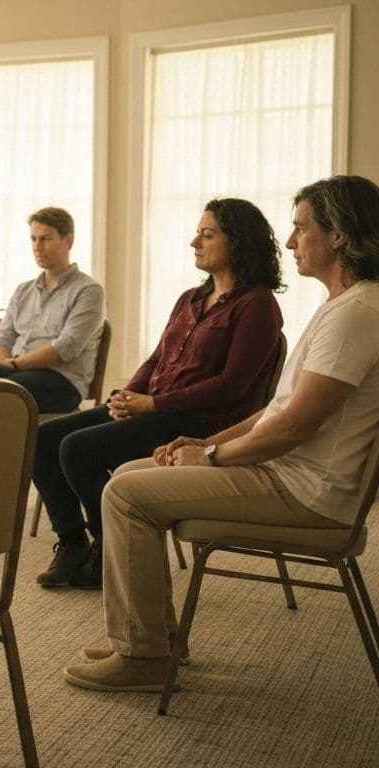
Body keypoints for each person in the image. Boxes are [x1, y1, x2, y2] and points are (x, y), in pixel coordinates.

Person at [64, 175, 379, 692]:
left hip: (305, 490)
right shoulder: (342, 306)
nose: (292, 240)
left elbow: (295, 428)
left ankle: (144, 657)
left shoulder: (357, 314)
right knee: (126, 473)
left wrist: (212, 459)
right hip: (287, 472)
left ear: (339, 235)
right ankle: (158, 638)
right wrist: (204, 447)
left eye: (301, 228)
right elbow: (278, 410)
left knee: (124, 495)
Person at [34, 198, 285, 590]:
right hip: (153, 408)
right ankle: (72, 544)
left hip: (199, 423)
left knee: (76, 449)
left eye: (206, 234)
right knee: (43, 439)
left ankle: (108, 551)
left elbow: (231, 385)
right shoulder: (190, 299)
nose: (194, 243)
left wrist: (152, 404)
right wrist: (127, 394)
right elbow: (157, 359)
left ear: (237, 241)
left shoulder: (258, 305)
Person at [0, 207, 105, 412]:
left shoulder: (89, 291)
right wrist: (1, 366)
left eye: (45, 239)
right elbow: (2, 340)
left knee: (5, 390)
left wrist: (13, 366)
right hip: (14, 373)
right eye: (33, 239)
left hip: (60, 382)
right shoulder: (23, 291)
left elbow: (65, 347)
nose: (37, 247)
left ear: (67, 241)